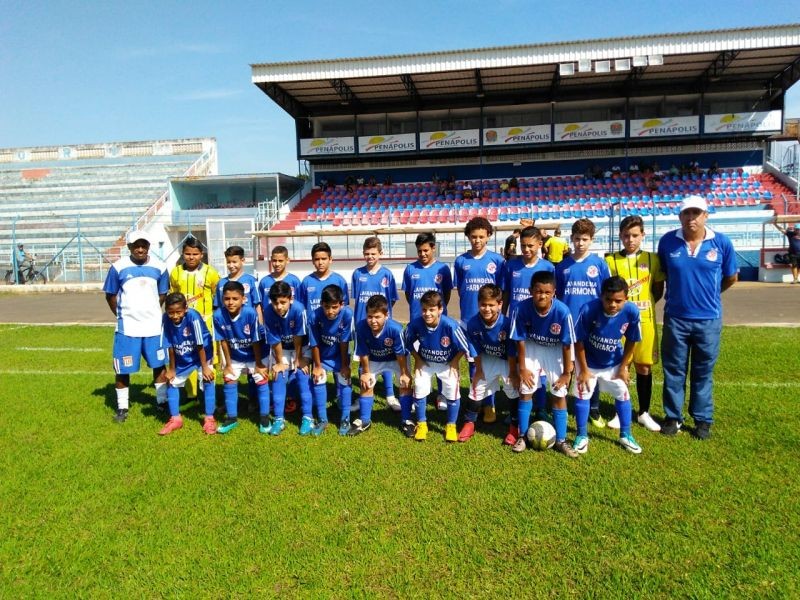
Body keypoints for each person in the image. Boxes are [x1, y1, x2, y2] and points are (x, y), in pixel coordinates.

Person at [658, 195, 737, 440]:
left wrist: (711, 295)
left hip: (708, 320)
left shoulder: (721, 243)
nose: (691, 218)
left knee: (703, 372)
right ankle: (673, 417)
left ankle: (702, 419)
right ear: (680, 216)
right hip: (676, 319)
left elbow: (731, 277)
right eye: (686, 213)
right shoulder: (667, 242)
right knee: (674, 370)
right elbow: (664, 276)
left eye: (696, 213)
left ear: (706, 216)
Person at [509, 271, 578, 457]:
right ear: (531, 291)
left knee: (559, 393)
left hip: (555, 349)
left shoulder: (562, 311)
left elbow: (566, 345)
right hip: (531, 347)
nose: (542, 296)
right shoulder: (520, 308)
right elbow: (520, 340)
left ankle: (561, 440)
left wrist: (566, 372)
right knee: (526, 391)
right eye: (538, 291)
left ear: (554, 292)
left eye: (547, 292)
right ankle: (522, 436)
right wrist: (522, 368)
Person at [605, 216, 664, 432]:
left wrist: (642, 307)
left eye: (635, 235)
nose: (630, 239)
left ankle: (644, 412)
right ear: (620, 236)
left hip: (645, 322)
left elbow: (658, 290)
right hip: (619, 324)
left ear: (643, 235)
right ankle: (620, 413)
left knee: (644, 366)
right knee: (622, 365)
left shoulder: (653, 259)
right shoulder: (610, 261)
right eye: (626, 235)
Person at [103, 230, 169, 423]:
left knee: (158, 366)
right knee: (123, 369)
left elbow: (163, 293)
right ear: (129, 247)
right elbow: (110, 295)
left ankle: (161, 402)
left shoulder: (160, 267)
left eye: (144, 245)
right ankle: (122, 407)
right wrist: (121, 315)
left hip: (153, 327)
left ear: (148, 246)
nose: (140, 249)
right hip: (128, 329)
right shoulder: (118, 267)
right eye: (136, 246)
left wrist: (153, 311)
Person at [571, 276, 643, 455]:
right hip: (589, 361)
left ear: (626, 299)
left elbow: (632, 340)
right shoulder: (589, 309)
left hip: (614, 362)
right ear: (601, 296)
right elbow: (578, 341)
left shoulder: (632, 312)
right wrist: (584, 370)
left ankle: (625, 435)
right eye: (608, 299)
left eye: (618, 301)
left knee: (623, 394)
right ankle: (581, 436)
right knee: (584, 393)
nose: (612, 304)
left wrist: (623, 367)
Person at [555, 218, 611, 428]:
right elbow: (558, 296)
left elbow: (606, 295)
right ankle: (561, 403)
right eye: (577, 239)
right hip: (568, 325)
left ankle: (593, 408)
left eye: (584, 239)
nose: (580, 243)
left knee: (590, 368)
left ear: (592, 240)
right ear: (571, 239)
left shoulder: (599, 264)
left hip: (593, 324)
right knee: (566, 366)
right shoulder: (562, 266)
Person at [453, 217, 505, 417]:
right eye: (473, 237)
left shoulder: (497, 261)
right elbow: (460, 290)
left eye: (481, 237)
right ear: (468, 237)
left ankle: (490, 404)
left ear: (488, 236)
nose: (477, 240)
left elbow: (500, 291)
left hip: (491, 322)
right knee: (474, 362)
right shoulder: (461, 261)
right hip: (469, 321)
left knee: (491, 360)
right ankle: (477, 398)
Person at [404, 291, 471, 442]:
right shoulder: (415, 324)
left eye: (432, 309)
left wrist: (454, 361)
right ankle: (422, 424)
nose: (427, 313)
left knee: (452, 392)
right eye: (424, 309)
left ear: (440, 309)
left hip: (447, 363)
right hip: (426, 362)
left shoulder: (450, 326)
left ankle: (451, 425)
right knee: (420, 388)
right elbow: (406, 341)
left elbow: (464, 346)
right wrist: (417, 359)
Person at [460, 284, 519, 443]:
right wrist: (478, 369)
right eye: (483, 304)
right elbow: (474, 347)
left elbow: (513, 350)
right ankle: (469, 423)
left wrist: (513, 372)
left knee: (513, 390)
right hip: (488, 359)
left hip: (508, 360)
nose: (487, 309)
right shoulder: (473, 323)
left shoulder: (507, 324)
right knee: (476, 387)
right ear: (478, 303)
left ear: (500, 305)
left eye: (491, 305)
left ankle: (515, 426)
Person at [213, 280, 270, 434]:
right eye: (226, 299)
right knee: (229, 379)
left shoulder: (250, 313)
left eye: (234, 299)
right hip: (236, 356)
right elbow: (222, 341)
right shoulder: (218, 315)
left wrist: (258, 364)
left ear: (243, 299)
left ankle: (264, 417)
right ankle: (231, 418)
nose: (230, 302)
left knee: (260, 378)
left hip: (256, 354)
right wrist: (228, 364)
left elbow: (256, 340)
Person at [169, 236, 220, 403]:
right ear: (183, 254)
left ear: (202, 255)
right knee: (185, 356)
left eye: (195, 254)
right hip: (182, 325)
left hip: (205, 324)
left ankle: (207, 396)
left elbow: (217, 295)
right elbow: (173, 295)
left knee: (207, 359)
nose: (191, 257)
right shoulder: (176, 272)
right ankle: (192, 396)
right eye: (188, 253)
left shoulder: (210, 272)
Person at [353, 294, 412, 436]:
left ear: (387, 315)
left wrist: (404, 373)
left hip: (396, 360)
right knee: (366, 383)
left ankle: (407, 420)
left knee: (405, 383)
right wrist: (366, 372)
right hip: (374, 359)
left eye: (377, 317)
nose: (373, 321)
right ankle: (365, 420)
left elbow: (400, 353)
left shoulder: (395, 329)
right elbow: (362, 351)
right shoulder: (360, 327)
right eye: (370, 316)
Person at [351, 236, 399, 410]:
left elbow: (391, 299)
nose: (369, 257)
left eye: (373, 253)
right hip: (362, 325)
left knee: (384, 357)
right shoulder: (358, 274)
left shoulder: (387, 274)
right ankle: (361, 395)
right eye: (366, 253)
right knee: (362, 358)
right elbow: (358, 299)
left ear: (380, 253)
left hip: (382, 326)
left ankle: (390, 396)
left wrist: (381, 318)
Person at [160, 292, 217, 435]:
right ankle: (175, 419)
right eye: (170, 312)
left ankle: (209, 418)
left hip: (202, 353)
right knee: (172, 381)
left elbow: (200, 343)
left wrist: (204, 367)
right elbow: (170, 345)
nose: (174, 316)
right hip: (183, 355)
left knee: (207, 379)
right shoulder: (165, 319)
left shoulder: (193, 316)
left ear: (185, 309)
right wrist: (172, 369)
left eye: (178, 312)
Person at [262, 281, 311, 436]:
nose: (279, 306)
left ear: (290, 299)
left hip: (301, 347)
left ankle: (308, 417)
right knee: (278, 375)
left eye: (283, 302)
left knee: (302, 374)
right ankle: (278, 419)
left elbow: (299, 336)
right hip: (281, 348)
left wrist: (298, 358)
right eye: (275, 302)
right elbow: (274, 339)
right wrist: (279, 362)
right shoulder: (268, 312)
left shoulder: (298, 309)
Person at [307, 285, 354, 436]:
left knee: (344, 378)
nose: (330, 311)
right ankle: (322, 419)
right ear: (321, 304)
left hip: (340, 355)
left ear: (342, 304)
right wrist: (317, 365)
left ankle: (345, 418)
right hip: (323, 356)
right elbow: (314, 343)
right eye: (327, 307)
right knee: (318, 379)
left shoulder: (347, 314)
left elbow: (345, 342)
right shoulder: (314, 316)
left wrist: (345, 365)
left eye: (334, 307)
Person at [402, 232, 453, 323]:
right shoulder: (410, 269)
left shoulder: (443, 269)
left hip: (438, 319)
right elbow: (408, 294)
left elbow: (446, 295)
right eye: (419, 251)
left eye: (426, 250)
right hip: (416, 318)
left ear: (433, 248)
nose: (422, 254)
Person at [297, 241, 349, 312]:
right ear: (312, 260)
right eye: (317, 259)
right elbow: (302, 307)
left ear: (330, 259)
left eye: (324, 259)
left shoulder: (339, 281)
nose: (320, 263)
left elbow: (344, 307)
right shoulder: (306, 281)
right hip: (312, 323)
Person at [214, 245, 261, 320]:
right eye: (228, 262)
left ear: (242, 261)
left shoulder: (251, 280)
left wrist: (260, 326)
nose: (231, 265)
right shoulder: (221, 283)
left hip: (247, 324)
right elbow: (218, 307)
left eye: (234, 262)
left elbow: (257, 306)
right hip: (228, 325)